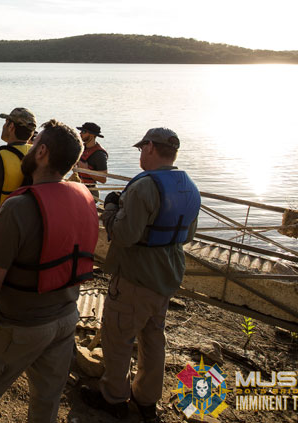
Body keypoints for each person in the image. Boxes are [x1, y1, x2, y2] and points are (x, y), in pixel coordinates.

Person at [0, 119, 99, 422]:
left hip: (21, 325)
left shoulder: (18, 208)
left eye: (35, 144)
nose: (30, 148)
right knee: (47, 400)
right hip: (66, 319)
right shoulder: (84, 198)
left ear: (42, 152)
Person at [81, 128, 200, 423]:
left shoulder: (144, 186)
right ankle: (146, 399)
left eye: (141, 149)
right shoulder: (188, 185)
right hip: (167, 276)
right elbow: (188, 235)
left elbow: (124, 235)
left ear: (150, 147)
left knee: (118, 337)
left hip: (136, 276)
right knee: (153, 338)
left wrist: (110, 209)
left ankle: (113, 398)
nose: (140, 154)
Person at [76, 122, 108, 200]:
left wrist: (86, 169)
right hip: (79, 187)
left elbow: (103, 179)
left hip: (91, 192)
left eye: (83, 132)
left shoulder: (99, 154)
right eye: (81, 131)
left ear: (92, 135)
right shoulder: (81, 148)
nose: (80, 133)